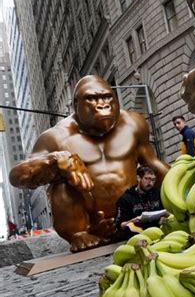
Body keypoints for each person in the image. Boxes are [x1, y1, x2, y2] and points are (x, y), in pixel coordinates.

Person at [9, 75, 169, 252]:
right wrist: (53, 160)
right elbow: (17, 177)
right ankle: (78, 234)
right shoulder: (56, 137)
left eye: (107, 97)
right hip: (90, 225)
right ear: (76, 104)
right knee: (60, 183)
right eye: (92, 99)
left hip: (134, 216)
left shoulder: (133, 123)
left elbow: (153, 165)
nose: (102, 104)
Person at [115, 165, 169, 235]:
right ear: (138, 178)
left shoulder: (158, 193)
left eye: (153, 180)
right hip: (137, 235)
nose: (150, 183)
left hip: (158, 232)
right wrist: (132, 221)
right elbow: (120, 226)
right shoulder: (126, 199)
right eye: (147, 179)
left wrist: (163, 218)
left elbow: (165, 211)